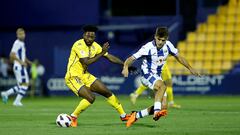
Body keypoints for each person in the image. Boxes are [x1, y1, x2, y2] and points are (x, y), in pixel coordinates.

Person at [122, 27, 200, 127]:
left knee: (164, 106)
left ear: (166, 39)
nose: (160, 42)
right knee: (163, 86)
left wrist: (190, 68)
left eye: (163, 40)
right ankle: (156, 112)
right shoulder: (148, 47)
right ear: (155, 37)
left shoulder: (168, 46)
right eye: (159, 39)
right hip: (146, 75)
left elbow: (179, 57)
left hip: (157, 76)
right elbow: (131, 58)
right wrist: (125, 67)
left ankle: (136, 115)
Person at [64, 25, 135, 127]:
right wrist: (102, 52)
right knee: (91, 98)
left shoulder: (95, 46)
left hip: (85, 75)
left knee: (107, 92)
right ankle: (73, 117)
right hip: (73, 76)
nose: (89, 39)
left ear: (95, 37)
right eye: (87, 36)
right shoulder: (78, 45)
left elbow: (109, 56)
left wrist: (125, 65)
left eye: (92, 37)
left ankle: (123, 115)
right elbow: (86, 62)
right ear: (84, 35)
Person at [1, 28, 32, 106]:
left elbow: (22, 56)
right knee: (25, 84)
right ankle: (17, 101)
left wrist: (28, 62)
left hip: (19, 66)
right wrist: (21, 62)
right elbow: (12, 55)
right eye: (20, 34)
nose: (22, 35)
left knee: (21, 85)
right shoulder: (17, 43)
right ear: (17, 35)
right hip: (20, 67)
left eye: (23, 33)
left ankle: (6, 93)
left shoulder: (21, 43)